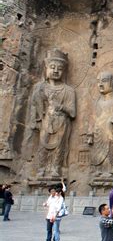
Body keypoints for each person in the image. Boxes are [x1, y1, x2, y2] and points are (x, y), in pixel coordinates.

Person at [30, 48, 76, 178]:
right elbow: (34, 107)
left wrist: (61, 107)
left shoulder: (68, 90)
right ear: (46, 68)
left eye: (60, 68)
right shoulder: (39, 88)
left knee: (59, 146)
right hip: (45, 121)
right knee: (43, 145)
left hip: (61, 122)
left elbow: (72, 113)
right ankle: (41, 168)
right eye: (52, 67)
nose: (56, 70)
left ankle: (56, 168)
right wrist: (35, 120)